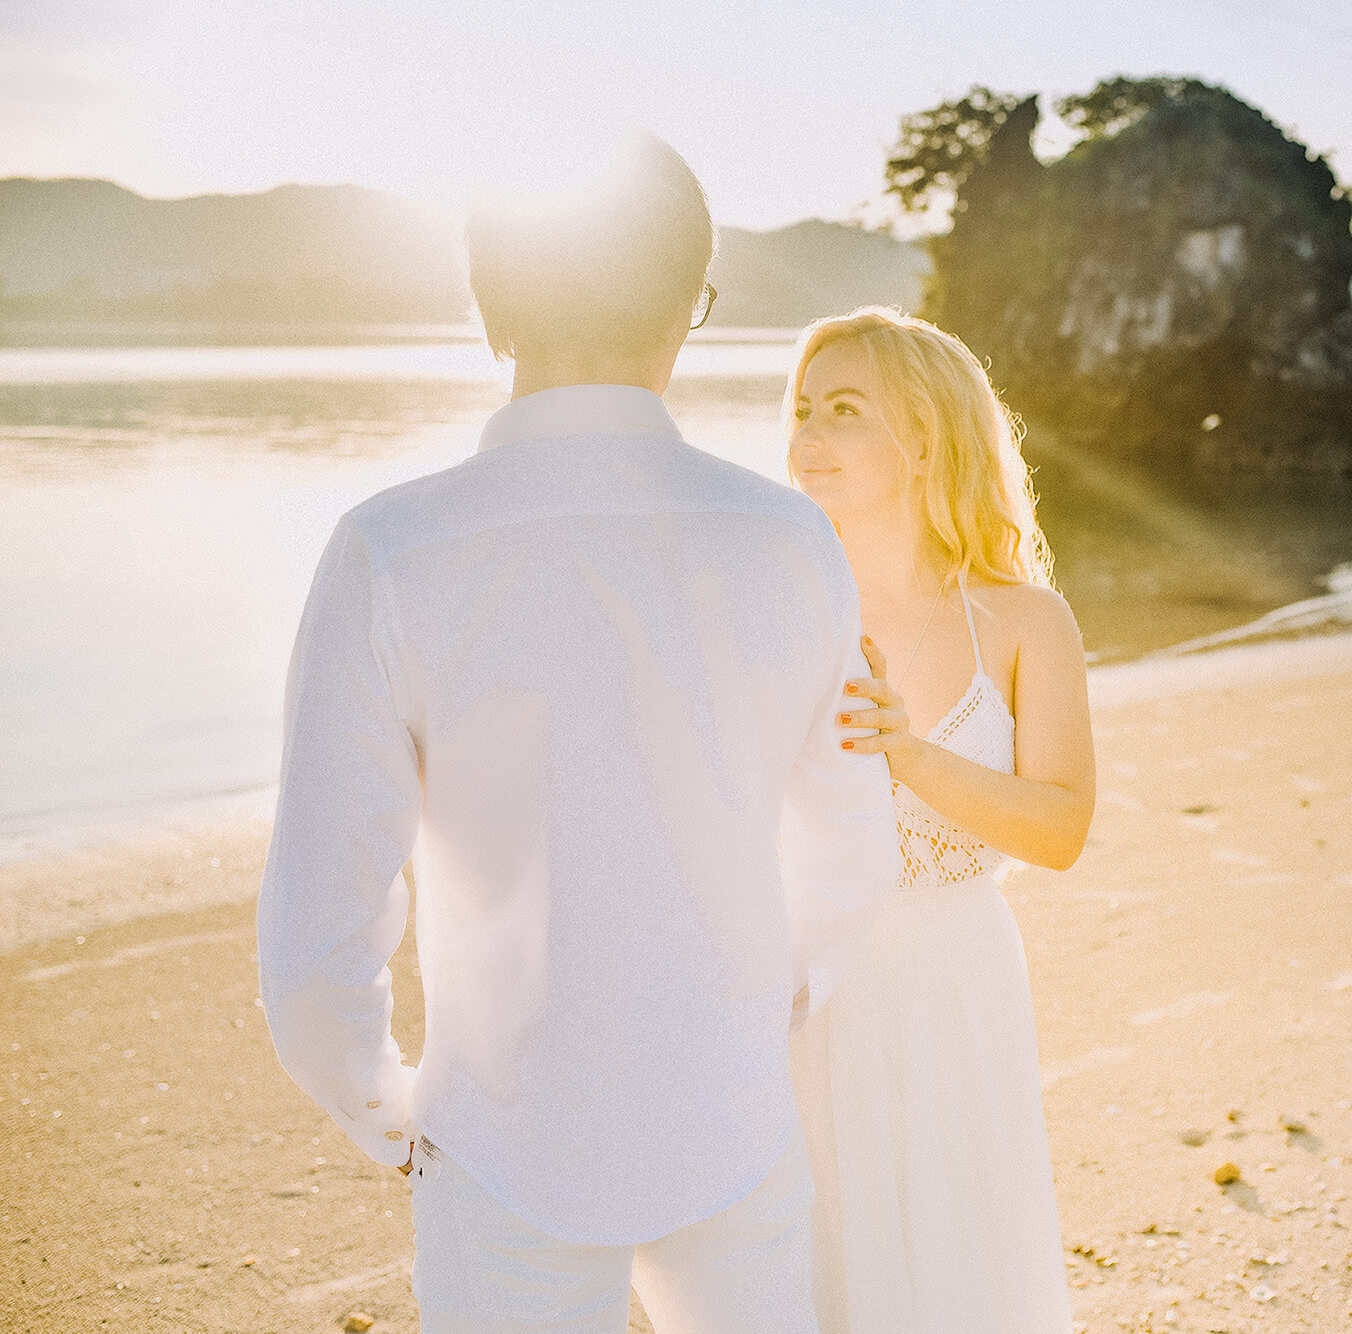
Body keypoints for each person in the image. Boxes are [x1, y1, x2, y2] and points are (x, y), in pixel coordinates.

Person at [255, 131, 900, 1334]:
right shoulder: (787, 540)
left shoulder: (389, 550)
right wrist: (768, 1004)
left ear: (488, 311)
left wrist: (385, 1105)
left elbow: (314, 933)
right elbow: (851, 850)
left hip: (501, 1132)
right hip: (730, 1111)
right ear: (685, 313)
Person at [784, 308, 1095, 1333]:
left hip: (952, 980)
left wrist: (909, 754)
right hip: (798, 980)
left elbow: (1058, 829)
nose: (807, 434)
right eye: (801, 409)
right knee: (808, 1251)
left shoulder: (1021, 618)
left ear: (922, 437)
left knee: (954, 1259)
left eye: (842, 409)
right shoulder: (776, 601)